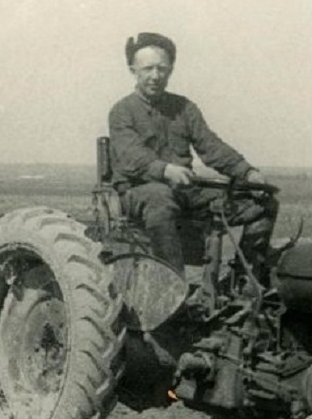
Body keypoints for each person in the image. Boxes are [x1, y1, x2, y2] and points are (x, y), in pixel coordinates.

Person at [108, 32, 278, 278]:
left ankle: (244, 279)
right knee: (160, 197)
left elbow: (211, 146)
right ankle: (172, 286)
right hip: (139, 191)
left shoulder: (184, 108)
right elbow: (131, 156)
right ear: (133, 70)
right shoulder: (122, 111)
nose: (155, 76)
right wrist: (166, 170)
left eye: (162, 68)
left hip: (185, 190)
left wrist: (247, 172)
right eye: (147, 69)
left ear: (171, 69)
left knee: (263, 202)